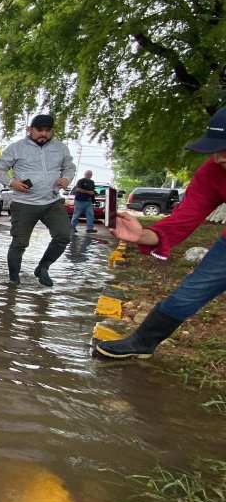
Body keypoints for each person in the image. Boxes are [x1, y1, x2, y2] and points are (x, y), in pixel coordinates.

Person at [96, 107, 226, 359]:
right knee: (188, 293)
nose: (219, 158)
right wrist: (143, 235)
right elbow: (184, 218)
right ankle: (142, 343)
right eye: (217, 150)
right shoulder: (212, 172)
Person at [0, 114, 76, 286]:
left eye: (47, 131)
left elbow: (69, 167)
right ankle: (14, 281)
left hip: (52, 201)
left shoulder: (61, 148)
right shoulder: (17, 148)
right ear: (30, 130)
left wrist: (66, 179)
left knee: (63, 236)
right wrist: (12, 182)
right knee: (20, 243)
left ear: (52, 131)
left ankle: (43, 268)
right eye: (39, 130)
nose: (43, 134)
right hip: (24, 203)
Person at [70, 169, 98, 233]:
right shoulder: (80, 181)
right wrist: (88, 192)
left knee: (90, 215)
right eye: (88, 174)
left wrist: (94, 193)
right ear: (85, 174)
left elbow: (92, 191)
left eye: (90, 174)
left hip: (89, 201)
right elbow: (77, 189)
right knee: (76, 214)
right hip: (80, 201)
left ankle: (89, 229)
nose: (89, 175)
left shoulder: (92, 182)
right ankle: (72, 227)